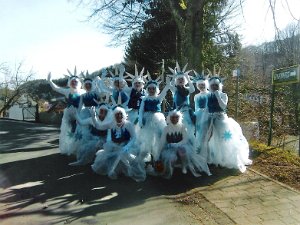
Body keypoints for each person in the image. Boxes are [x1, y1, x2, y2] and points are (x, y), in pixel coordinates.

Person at [204, 75, 252, 172]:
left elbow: (223, 106)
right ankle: (214, 159)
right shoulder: (208, 95)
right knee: (212, 140)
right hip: (210, 120)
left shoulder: (223, 95)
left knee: (224, 140)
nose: (214, 87)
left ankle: (225, 159)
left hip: (221, 120)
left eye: (216, 85)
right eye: (212, 85)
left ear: (219, 85)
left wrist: (218, 95)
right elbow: (206, 108)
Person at [91, 106, 146, 182]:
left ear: (123, 115)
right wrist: (93, 117)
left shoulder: (128, 124)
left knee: (123, 154)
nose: (119, 116)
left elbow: (134, 138)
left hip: (127, 146)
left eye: (121, 114)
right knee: (107, 156)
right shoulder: (112, 124)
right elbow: (99, 126)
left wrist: (127, 146)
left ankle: (120, 170)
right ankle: (113, 169)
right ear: (114, 116)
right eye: (117, 114)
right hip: (115, 145)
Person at [159, 110, 211, 179]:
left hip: (181, 145)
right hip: (170, 147)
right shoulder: (166, 129)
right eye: (172, 117)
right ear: (169, 118)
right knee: (171, 158)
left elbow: (185, 139)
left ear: (179, 118)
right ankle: (171, 171)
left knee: (183, 152)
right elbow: (162, 141)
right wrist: (160, 151)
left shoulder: (182, 127)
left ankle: (184, 166)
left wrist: (177, 144)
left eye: (176, 117)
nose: (174, 119)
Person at [47, 71, 85, 155]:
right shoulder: (68, 91)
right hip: (69, 114)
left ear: (78, 82)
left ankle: (78, 148)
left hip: (79, 114)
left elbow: (92, 92)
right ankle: (69, 147)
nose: (74, 83)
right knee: (68, 131)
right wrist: (50, 81)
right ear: (70, 83)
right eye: (72, 81)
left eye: (75, 81)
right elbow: (56, 88)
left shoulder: (83, 91)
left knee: (79, 131)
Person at [138, 75, 170, 167]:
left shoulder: (158, 98)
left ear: (156, 89)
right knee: (148, 140)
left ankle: (157, 158)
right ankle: (149, 158)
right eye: (150, 89)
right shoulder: (144, 98)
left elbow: (164, 92)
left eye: (153, 89)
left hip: (158, 119)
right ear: (147, 89)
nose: (151, 90)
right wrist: (140, 120)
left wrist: (168, 85)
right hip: (147, 119)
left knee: (158, 138)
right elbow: (141, 110)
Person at [168, 62, 196, 145]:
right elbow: (170, 85)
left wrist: (187, 77)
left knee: (188, 129)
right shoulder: (175, 90)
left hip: (186, 112)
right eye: (179, 79)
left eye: (182, 79)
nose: (180, 81)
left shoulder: (187, 89)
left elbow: (193, 89)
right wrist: (174, 77)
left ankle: (189, 145)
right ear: (177, 81)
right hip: (177, 112)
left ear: (185, 81)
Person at [194, 74, 210, 158]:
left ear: (206, 85)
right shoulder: (196, 96)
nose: (201, 86)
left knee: (207, 132)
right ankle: (199, 151)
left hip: (207, 114)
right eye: (199, 85)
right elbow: (196, 107)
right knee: (199, 132)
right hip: (199, 115)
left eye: (203, 85)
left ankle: (207, 151)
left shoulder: (209, 94)